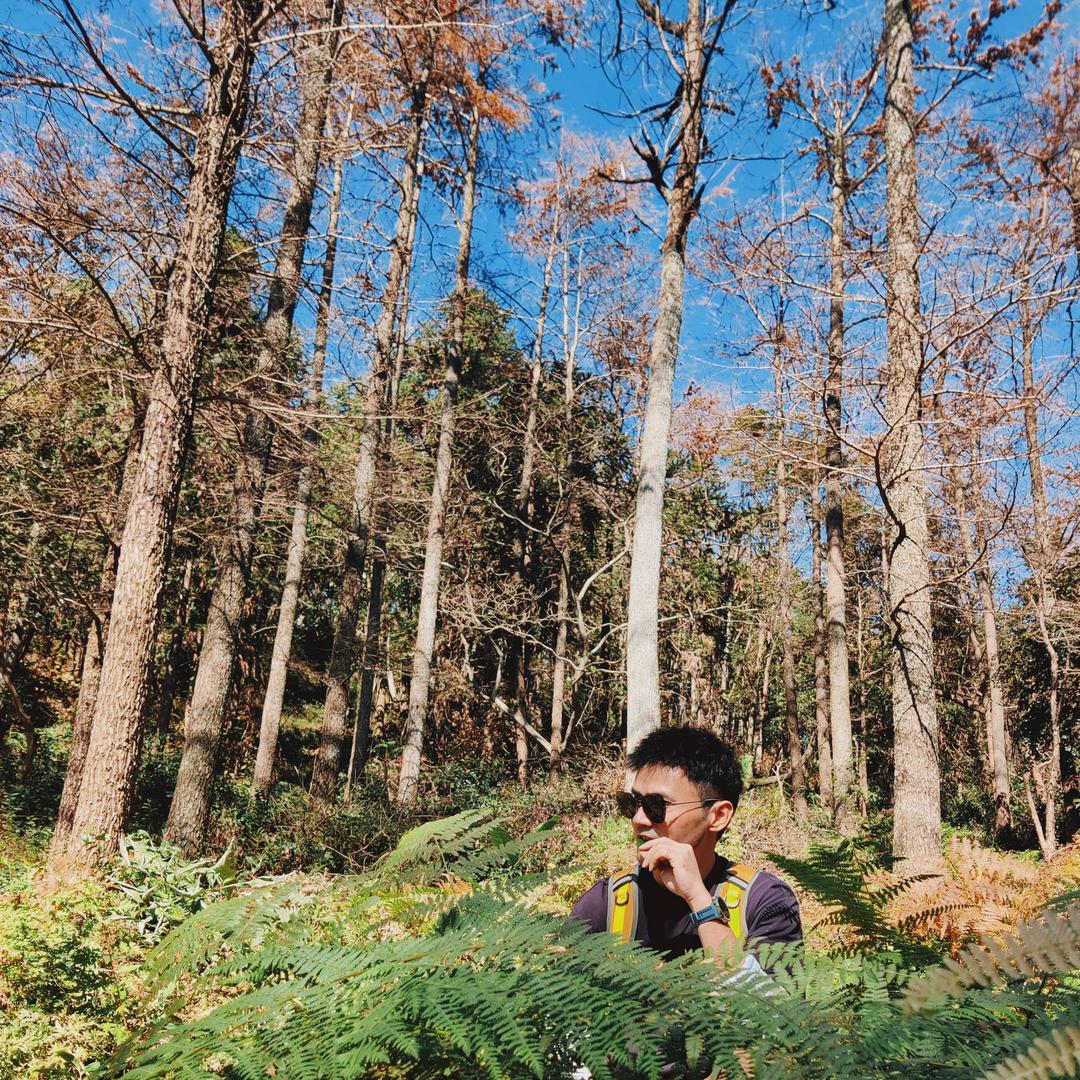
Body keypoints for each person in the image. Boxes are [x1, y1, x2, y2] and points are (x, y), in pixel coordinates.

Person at [571, 726, 802, 967]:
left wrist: (699, 899)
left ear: (718, 816)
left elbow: (771, 1003)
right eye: (633, 803)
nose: (639, 819)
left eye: (656, 805)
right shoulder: (605, 904)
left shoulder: (763, 903)